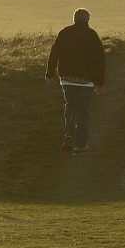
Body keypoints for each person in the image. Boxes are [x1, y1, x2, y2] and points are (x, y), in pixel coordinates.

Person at [45, 8, 106, 156]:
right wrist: (100, 83)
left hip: (67, 79)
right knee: (83, 112)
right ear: (87, 20)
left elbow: (54, 53)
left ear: (74, 19)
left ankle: (69, 136)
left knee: (70, 108)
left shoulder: (64, 32)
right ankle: (80, 145)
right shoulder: (92, 35)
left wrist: (50, 73)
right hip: (86, 82)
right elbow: (100, 60)